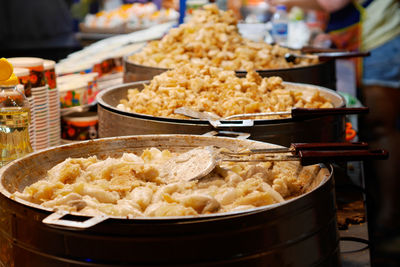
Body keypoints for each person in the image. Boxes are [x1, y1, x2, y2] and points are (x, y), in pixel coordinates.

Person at [267, 0, 400, 265]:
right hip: (370, 33)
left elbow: (333, 1)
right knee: (379, 127)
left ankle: (391, 221)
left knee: (382, 127)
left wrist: (285, 1)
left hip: (381, 40)